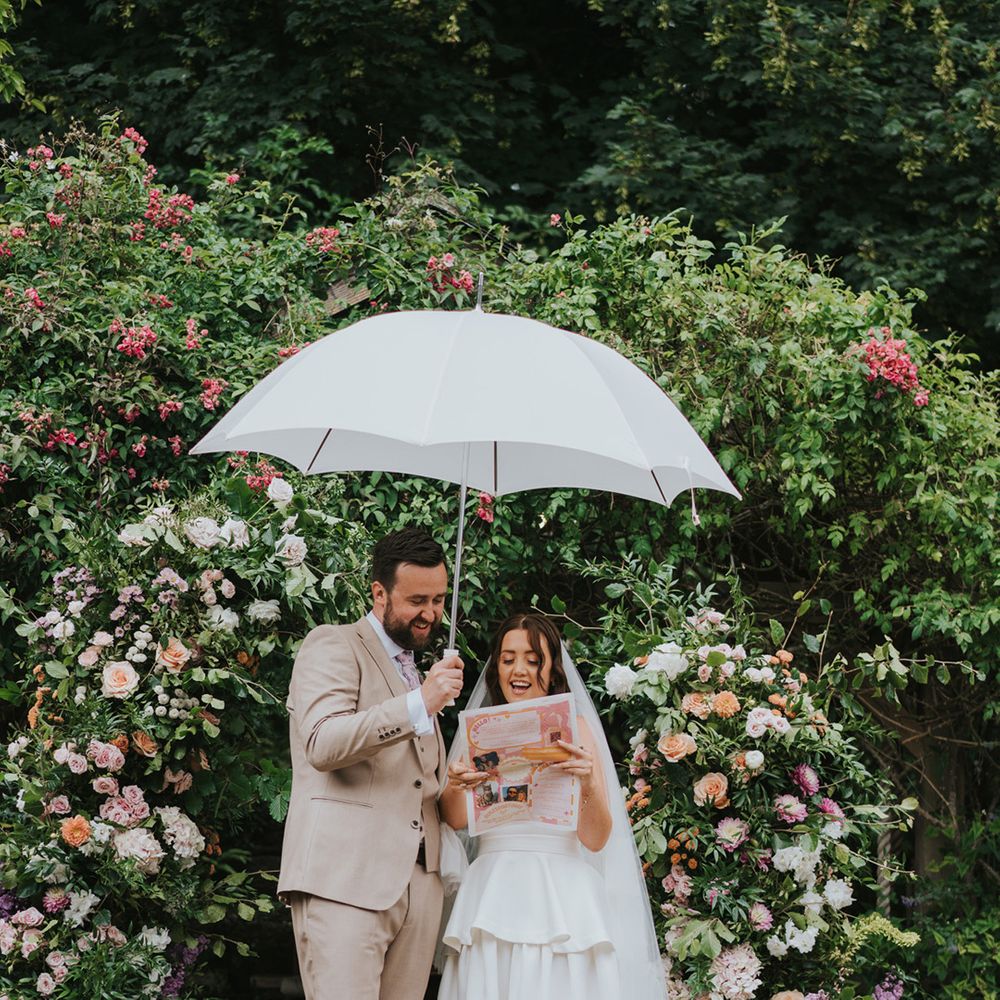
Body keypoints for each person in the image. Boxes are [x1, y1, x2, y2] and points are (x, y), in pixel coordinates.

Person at [436, 614, 667, 1000]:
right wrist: (458, 785)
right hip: (492, 890)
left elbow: (596, 839)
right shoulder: (478, 731)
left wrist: (589, 781)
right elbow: (455, 818)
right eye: (507, 659)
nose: (519, 670)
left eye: (532, 658)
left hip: (562, 894)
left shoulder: (576, 730)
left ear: (552, 667)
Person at [277, 527, 465, 1000]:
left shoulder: (415, 669)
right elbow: (323, 742)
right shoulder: (333, 645)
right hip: (346, 880)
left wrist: (457, 781)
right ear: (379, 592)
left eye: (439, 599)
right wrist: (420, 702)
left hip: (419, 885)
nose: (430, 614)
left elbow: (411, 778)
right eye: (417, 600)